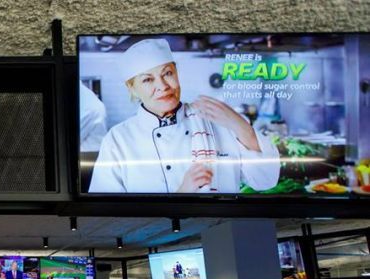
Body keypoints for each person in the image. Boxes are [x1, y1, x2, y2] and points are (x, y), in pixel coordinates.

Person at [88, 38, 280, 194]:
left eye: (167, 73)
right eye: (148, 79)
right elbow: (112, 214)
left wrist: (240, 125)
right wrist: (182, 194)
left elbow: (265, 180)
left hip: (225, 231)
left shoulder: (217, 120)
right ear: (132, 88)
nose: (163, 86)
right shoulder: (118, 140)